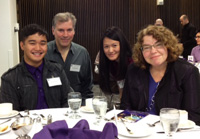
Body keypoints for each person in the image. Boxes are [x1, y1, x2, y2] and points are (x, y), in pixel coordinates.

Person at [120, 25, 200, 126]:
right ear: (141, 51)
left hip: (171, 133)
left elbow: (193, 118)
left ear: (168, 46)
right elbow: (125, 107)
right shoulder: (134, 70)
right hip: (136, 131)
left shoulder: (187, 72)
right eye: (147, 47)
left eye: (159, 45)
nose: (153, 51)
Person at [0, 24, 71, 111]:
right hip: (26, 124)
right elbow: (10, 113)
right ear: (22, 45)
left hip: (57, 122)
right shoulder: (10, 78)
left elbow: (68, 100)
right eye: (32, 43)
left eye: (42, 43)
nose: (38, 48)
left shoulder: (57, 70)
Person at [45, 12, 93, 104]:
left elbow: (88, 88)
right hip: (51, 108)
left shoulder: (82, 53)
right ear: (53, 31)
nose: (65, 35)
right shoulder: (44, 52)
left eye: (69, 30)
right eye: (61, 30)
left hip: (77, 108)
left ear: (74, 31)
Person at [99, 26, 133, 109]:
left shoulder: (133, 63)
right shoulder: (112, 63)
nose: (110, 50)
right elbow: (121, 85)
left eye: (114, 45)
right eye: (106, 46)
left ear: (122, 45)